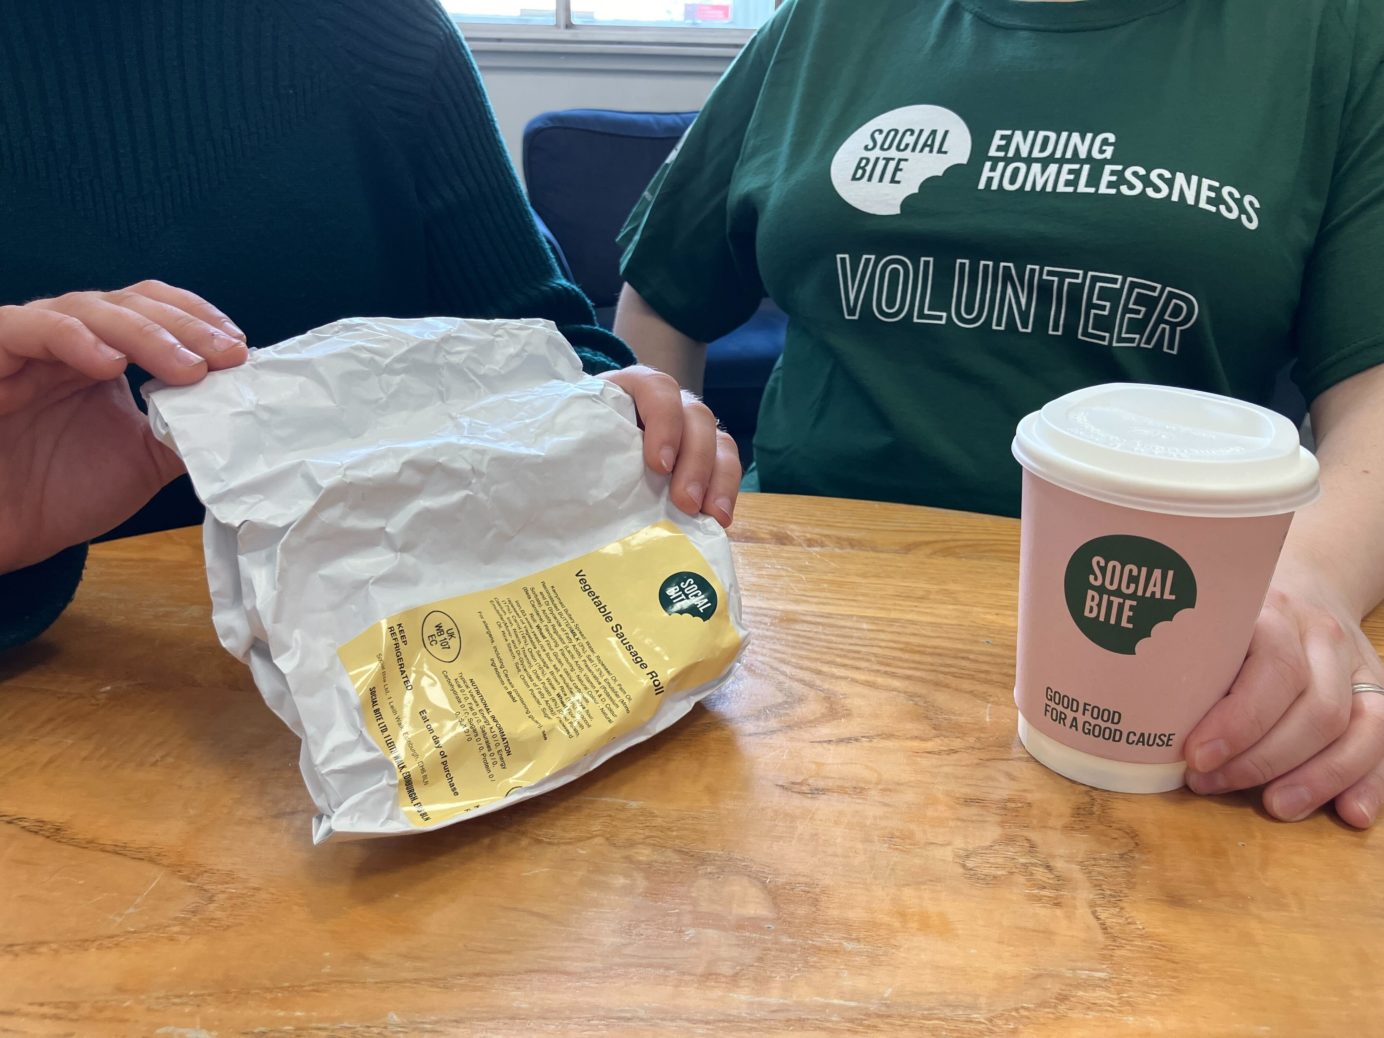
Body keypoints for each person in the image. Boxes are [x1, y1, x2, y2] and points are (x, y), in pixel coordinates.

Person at [613, 0, 1384, 827]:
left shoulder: (1336, 32)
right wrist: (664, 471)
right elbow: (661, 306)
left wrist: (1311, 583)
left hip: (1157, 647)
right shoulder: (820, 19)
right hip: (793, 627)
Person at [0, 0, 741, 652]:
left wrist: (614, 401)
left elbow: (544, 340)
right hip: (71, 700)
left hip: (432, 671)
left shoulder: (381, 28)